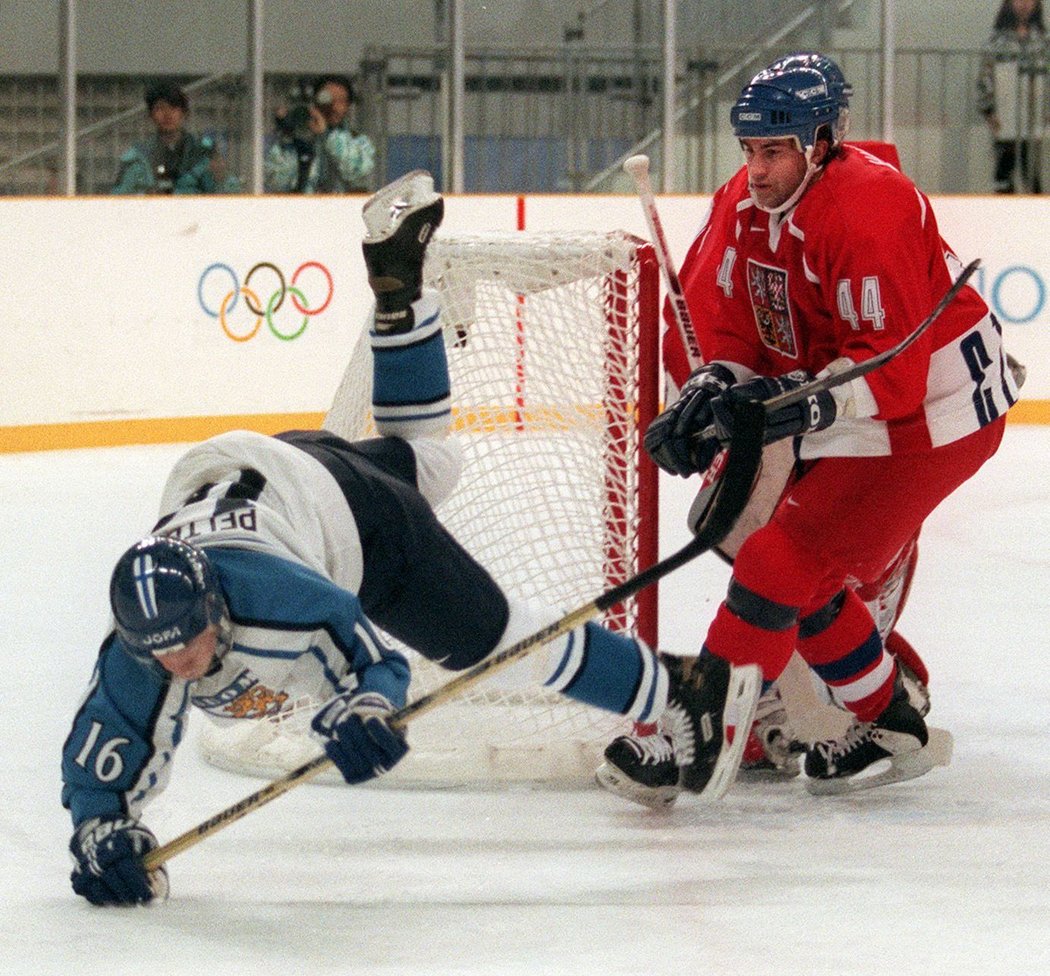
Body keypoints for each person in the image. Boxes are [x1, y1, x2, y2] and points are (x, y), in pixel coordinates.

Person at [60, 169, 760, 907]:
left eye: (189, 641)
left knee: (499, 645)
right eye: (162, 652)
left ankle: (680, 688)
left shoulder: (274, 595)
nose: (180, 661)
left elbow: (365, 655)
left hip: (355, 524)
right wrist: (101, 830)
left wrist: (361, 707)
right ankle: (400, 301)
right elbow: (107, 738)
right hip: (290, 467)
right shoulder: (146, 635)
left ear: (215, 599)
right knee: (427, 460)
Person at [596, 52, 1019, 807]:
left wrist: (788, 404)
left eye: (775, 151)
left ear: (821, 142)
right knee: (785, 554)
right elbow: (722, 319)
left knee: (780, 558)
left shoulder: (869, 209)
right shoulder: (746, 201)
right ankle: (888, 717)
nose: (755, 171)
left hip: (934, 413)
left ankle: (692, 727)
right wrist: (709, 386)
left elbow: (889, 378)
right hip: (851, 396)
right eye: (750, 150)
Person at [112, 81, 241, 195]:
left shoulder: (202, 153)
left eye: (173, 108)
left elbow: (231, 196)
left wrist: (222, 178)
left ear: (184, 113)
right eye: (160, 108)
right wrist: (145, 196)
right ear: (150, 115)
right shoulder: (138, 156)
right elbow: (118, 199)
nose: (167, 115)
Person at [264, 75, 376, 193]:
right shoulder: (294, 141)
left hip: (342, 208)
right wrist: (291, 137)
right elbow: (276, 181)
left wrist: (327, 135)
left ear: (348, 106)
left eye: (341, 101)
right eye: (328, 99)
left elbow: (357, 173)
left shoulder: (359, 142)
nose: (334, 107)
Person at [978, 0, 1046, 193]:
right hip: (1005, 112)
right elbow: (986, 75)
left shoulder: (1043, 40)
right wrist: (988, 110)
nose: (1024, 4)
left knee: (1032, 168)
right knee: (1004, 167)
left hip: (1034, 113)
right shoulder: (997, 40)